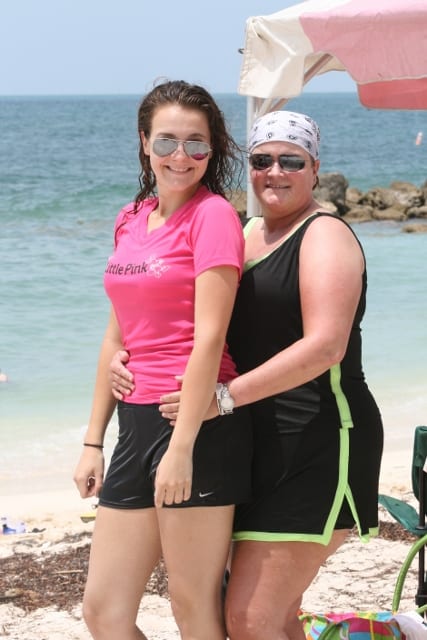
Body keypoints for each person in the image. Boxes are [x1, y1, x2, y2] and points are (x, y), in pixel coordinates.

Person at [110, 109, 384, 640]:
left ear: (315, 168)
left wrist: (223, 398)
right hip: (254, 440)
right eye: (262, 160)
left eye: (291, 161)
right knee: (268, 616)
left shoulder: (325, 235)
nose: (275, 172)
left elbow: (325, 347)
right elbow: (195, 314)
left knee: (252, 618)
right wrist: (127, 353)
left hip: (320, 440)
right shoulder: (248, 231)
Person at [73, 79, 253, 640]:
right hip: (135, 422)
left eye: (197, 144)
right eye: (167, 141)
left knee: (192, 607)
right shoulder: (130, 218)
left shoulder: (214, 216)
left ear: (213, 150)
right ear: (144, 143)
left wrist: (182, 447)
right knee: (104, 612)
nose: (181, 156)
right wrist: (93, 440)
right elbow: (116, 335)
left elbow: (210, 337)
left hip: (195, 425)